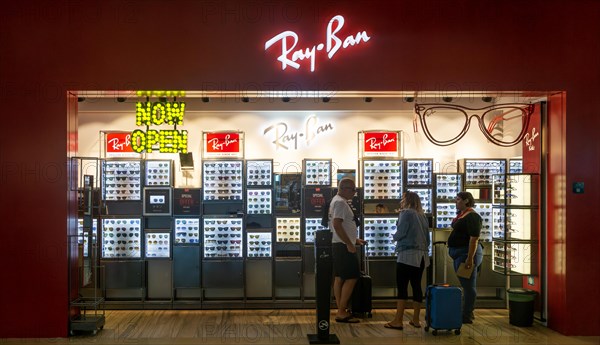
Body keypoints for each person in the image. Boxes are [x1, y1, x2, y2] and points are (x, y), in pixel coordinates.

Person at [384, 191, 430, 330]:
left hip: (407, 254)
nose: (401, 201)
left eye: (403, 198)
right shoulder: (422, 216)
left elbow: (401, 232)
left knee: (402, 287)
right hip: (422, 256)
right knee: (417, 286)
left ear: (406, 200)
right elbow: (427, 239)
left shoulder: (406, 213)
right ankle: (416, 320)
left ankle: (398, 320)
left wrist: (394, 237)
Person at [330, 178, 366, 323]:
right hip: (343, 246)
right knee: (352, 277)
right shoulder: (340, 202)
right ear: (344, 188)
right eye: (353, 190)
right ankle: (341, 312)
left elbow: (340, 226)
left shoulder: (337, 201)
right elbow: (337, 224)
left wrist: (354, 240)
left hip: (340, 245)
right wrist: (349, 243)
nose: (355, 192)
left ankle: (341, 309)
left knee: (339, 278)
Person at [447, 191, 483, 324]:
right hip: (459, 254)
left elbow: (474, 239)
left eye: (458, 199)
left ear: (466, 201)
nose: (455, 202)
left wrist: (469, 259)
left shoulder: (472, 216)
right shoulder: (462, 215)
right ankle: (466, 312)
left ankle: (467, 314)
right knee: (465, 285)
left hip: (465, 254)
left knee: (468, 286)